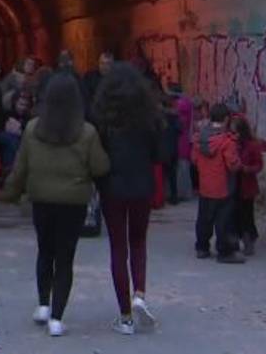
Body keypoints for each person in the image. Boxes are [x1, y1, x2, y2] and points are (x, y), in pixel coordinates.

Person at [0, 73, 110, 337]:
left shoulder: (33, 128)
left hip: (41, 200)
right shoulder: (86, 132)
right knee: (65, 258)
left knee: (44, 251)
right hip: (73, 203)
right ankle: (57, 320)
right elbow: (100, 167)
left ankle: (43, 305)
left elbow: (21, 167)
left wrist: (10, 194)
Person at [92, 63, 162, 335]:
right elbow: (160, 154)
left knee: (118, 247)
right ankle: (140, 295)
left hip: (113, 187)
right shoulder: (149, 117)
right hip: (143, 186)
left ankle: (125, 316)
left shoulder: (102, 117)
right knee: (139, 241)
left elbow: (96, 155)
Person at [192, 103, 245, 264]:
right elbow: (232, 164)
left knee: (204, 219)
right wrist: (239, 165)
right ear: (226, 119)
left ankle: (202, 247)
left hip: (205, 185)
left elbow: (194, 159)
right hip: (223, 186)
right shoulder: (227, 141)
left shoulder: (200, 139)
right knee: (224, 221)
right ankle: (225, 251)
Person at [230, 115, 263, 256]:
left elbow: (258, 165)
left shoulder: (252, 145)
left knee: (246, 214)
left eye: (236, 132)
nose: (234, 135)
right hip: (232, 184)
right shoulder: (230, 143)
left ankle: (248, 239)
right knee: (234, 213)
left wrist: (246, 168)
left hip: (246, 184)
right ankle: (236, 239)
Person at [0, 90, 33, 188]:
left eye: (25, 105)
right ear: (15, 103)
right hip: (4, 142)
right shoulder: (7, 114)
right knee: (11, 140)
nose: (23, 107)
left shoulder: (28, 119)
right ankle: (8, 173)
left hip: (21, 145)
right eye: (21, 104)